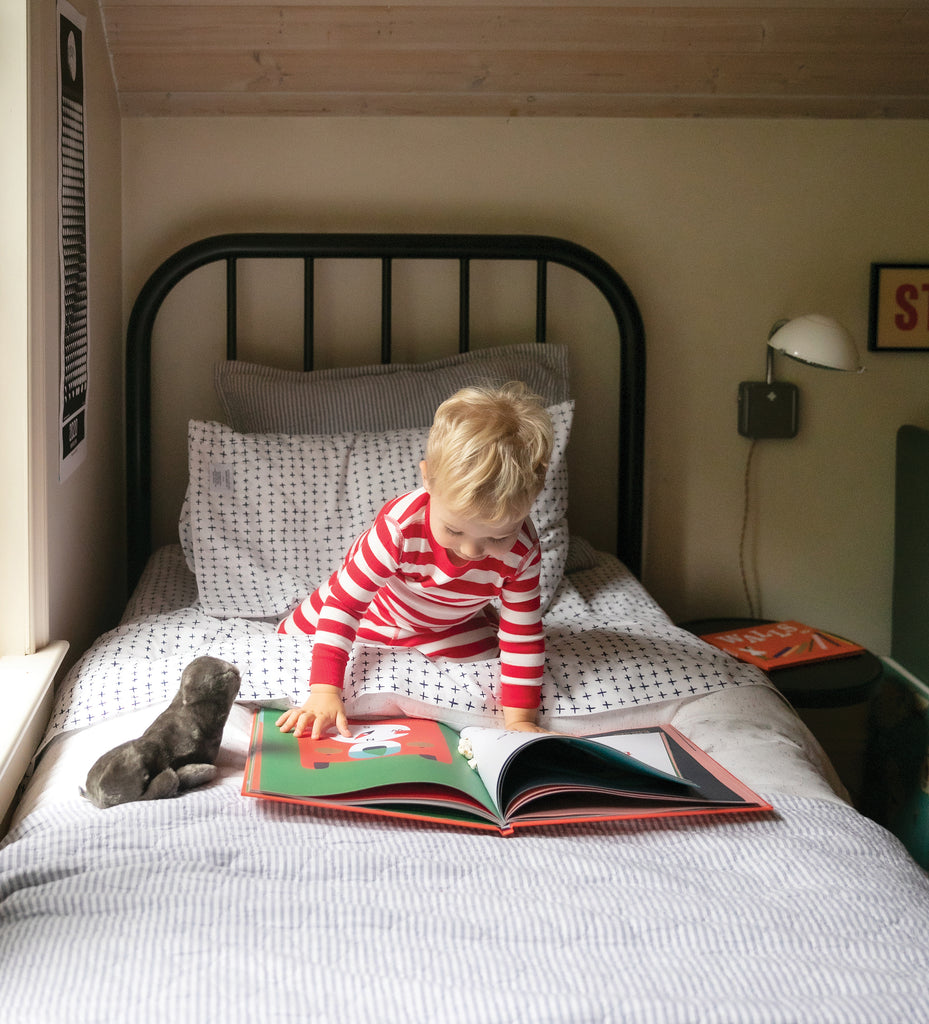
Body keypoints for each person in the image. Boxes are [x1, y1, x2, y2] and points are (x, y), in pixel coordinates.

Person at [276, 382, 554, 740]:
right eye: (454, 529)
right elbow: (345, 605)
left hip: (449, 622)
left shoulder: (523, 551)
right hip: (374, 605)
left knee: (484, 669)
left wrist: (519, 722)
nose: (471, 551)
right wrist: (325, 693)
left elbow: (522, 634)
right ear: (427, 479)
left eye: (497, 537)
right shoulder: (400, 527)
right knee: (290, 641)